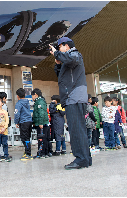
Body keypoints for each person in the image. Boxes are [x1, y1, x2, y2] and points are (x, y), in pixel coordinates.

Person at [49, 37, 91, 169]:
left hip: (75, 97)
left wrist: (57, 54)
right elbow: (61, 76)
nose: (58, 49)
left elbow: (71, 59)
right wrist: (58, 62)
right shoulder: (67, 60)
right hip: (72, 97)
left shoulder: (75, 54)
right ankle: (85, 158)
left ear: (66, 46)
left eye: (59, 47)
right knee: (78, 129)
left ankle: (81, 159)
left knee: (76, 129)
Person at [14, 88, 33, 160]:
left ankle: (28, 154)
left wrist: (16, 122)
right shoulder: (27, 102)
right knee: (27, 137)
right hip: (29, 121)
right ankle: (27, 152)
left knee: (24, 138)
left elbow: (17, 114)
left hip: (23, 122)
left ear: (17, 96)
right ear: (25, 95)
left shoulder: (18, 103)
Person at [31, 88, 50, 158]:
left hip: (42, 124)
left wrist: (40, 123)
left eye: (32, 96)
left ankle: (42, 153)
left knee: (41, 139)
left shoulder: (39, 102)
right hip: (42, 123)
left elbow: (41, 113)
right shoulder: (39, 101)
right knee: (44, 139)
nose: (32, 97)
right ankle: (45, 153)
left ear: (35, 95)